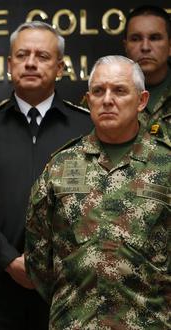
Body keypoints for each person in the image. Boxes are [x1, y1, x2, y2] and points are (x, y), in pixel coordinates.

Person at [0, 21, 93, 329]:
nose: (31, 62)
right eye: (22, 55)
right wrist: (8, 259)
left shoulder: (86, 128)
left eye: (42, 56)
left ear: (60, 67)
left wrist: (59, 262)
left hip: (72, 286)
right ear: (9, 64)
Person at [25, 55, 170, 329]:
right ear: (88, 100)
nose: (107, 99)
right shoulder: (60, 166)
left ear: (141, 100)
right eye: (98, 91)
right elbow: (38, 262)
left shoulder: (166, 164)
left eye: (119, 90)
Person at [123, 5, 170, 129]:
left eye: (154, 38)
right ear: (126, 46)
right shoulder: (107, 97)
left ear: (170, 46)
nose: (145, 47)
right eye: (136, 39)